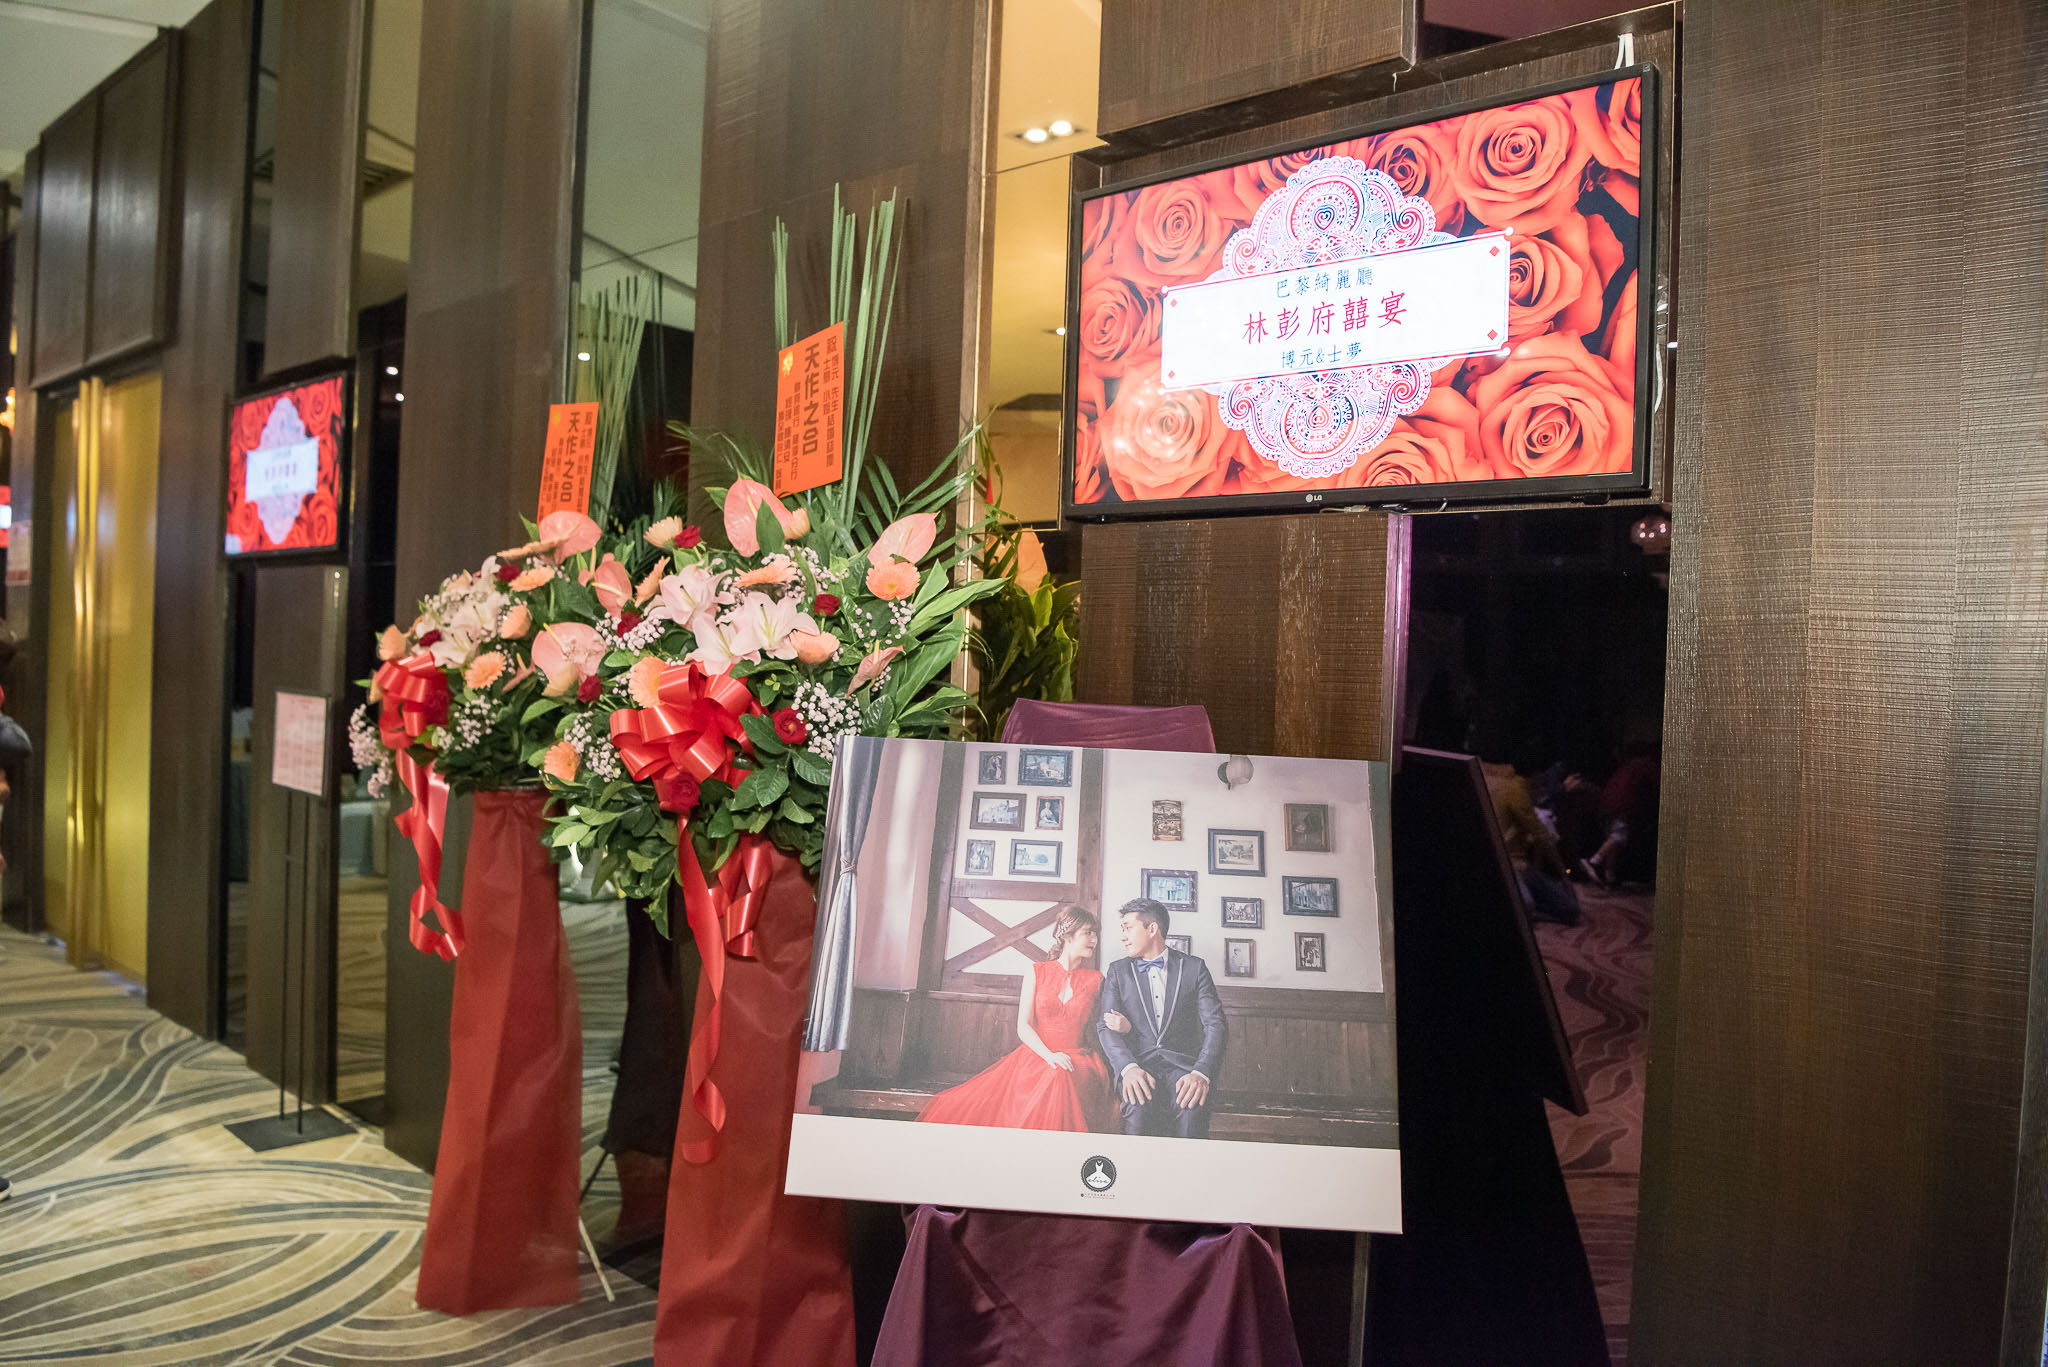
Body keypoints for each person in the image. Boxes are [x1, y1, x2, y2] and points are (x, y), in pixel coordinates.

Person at [918, 906, 1117, 1132]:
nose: (1094, 939)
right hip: (1038, 1057)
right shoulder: (1037, 971)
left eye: (1095, 933)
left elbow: (1103, 1024)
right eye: (1088, 932)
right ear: (1068, 935)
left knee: (1062, 1075)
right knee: (1056, 1074)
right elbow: (1024, 1026)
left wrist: (1123, 1026)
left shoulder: (1096, 980)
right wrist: (1049, 1056)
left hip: (1079, 1061)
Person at [1096, 898, 1228, 1139]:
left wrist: (1201, 1073)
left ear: (1152, 929)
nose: (1123, 937)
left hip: (1184, 1069)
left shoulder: (1195, 968)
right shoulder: (1118, 971)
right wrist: (1128, 1068)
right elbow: (1106, 1028)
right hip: (1138, 1065)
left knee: (1191, 1113)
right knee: (1137, 1111)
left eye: (1128, 928)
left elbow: (1215, 1025)